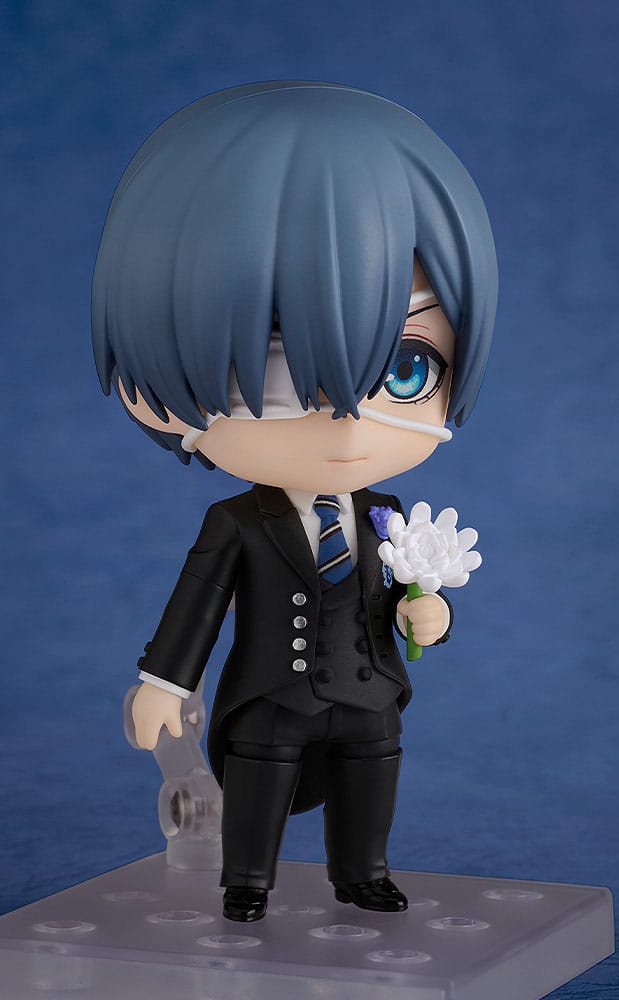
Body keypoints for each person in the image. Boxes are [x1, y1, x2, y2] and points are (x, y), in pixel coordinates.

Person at [91, 81, 497, 922]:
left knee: (370, 780)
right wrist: (163, 682)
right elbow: (197, 608)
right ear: (159, 394)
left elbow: (409, 596)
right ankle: (247, 882)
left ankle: (363, 873)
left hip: (370, 695)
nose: (346, 418)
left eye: (407, 368)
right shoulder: (237, 524)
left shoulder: (387, 517)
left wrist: (431, 618)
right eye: (277, 373)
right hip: (271, 698)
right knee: (259, 789)